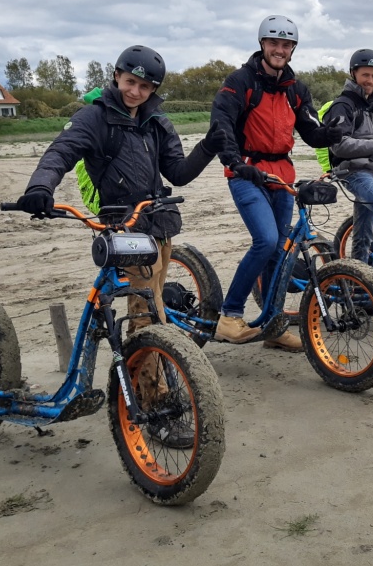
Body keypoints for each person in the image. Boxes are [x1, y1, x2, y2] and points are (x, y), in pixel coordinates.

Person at [16, 46, 226, 446]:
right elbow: (61, 152)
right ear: (116, 77)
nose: (136, 92)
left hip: (160, 227)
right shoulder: (94, 117)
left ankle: (140, 383)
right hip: (124, 230)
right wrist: (40, 187)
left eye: (145, 86)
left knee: (155, 313)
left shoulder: (157, 121)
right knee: (146, 317)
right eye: (130, 82)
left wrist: (209, 146)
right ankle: (153, 407)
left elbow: (178, 173)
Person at [209, 15, 343, 350]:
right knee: (266, 241)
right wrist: (235, 162)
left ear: (292, 49)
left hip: (282, 176)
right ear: (262, 45)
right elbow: (221, 123)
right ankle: (230, 315)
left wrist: (331, 133)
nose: (279, 50)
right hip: (247, 172)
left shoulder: (295, 89)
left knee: (280, 252)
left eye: (286, 45)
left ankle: (272, 325)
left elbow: (311, 130)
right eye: (274, 43)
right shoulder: (240, 82)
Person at [324, 49, 373, 284]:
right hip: (353, 172)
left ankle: (359, 284)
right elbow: (339, 146)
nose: (370, 81)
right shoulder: (343, 105)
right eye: (365, 75)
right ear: (353, 73)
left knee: (363, 232)